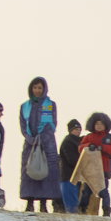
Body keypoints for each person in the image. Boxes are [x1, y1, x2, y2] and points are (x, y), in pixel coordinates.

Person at [18, 76, 62, 213]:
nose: (37, 90)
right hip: (30, 144)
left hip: (47, 144)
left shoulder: (51, 104)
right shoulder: (24, 106)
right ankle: (29, 202)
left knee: (47, 173)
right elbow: (23, 126)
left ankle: (44, 204)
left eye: (40, 88)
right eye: (35, 87)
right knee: (29, 172)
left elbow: (52, 124)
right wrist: (30, 138)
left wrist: (43, 138)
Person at [77, 112, 111, 217]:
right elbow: (80, 148)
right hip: (90, 170)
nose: (99, 126)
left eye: (101, 124)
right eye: (97, 124)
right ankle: (82, 210)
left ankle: (106, 211)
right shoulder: (89, 137)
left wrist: (103, 147)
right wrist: (89, 146)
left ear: (106, 125)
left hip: (104, 170)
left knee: (103, 191)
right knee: (87, 192)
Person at [57, 119, 83, 213]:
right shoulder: (67, 142)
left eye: (79, 129)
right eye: (76, 129)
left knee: (75, 201)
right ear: (70, 130)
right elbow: (72, 160)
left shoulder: (79, 141)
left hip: (76, 176)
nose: (78, 131)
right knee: (71, 205)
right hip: (68, 176)